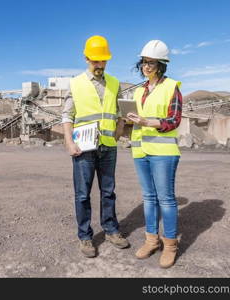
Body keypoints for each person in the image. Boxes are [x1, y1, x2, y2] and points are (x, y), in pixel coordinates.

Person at [62, 35, 129, 258]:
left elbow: (120, 112)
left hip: (108, 146)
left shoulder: (114, 82)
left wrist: (120, 129)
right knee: (83, 195)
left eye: (103, 61)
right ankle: (85, 236)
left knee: (108, 192)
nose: (99, 65)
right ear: (86, 58)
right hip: (83, 149)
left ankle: (111, 230)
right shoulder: (76, 83)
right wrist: (69, 142)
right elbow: (67, 115)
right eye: (95, 61)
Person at [126, 40, 182, 268]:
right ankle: (152, 240)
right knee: (148, 198)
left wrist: (146, 121)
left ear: (161, 64)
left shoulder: (172, 88)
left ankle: (170, 246)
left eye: (151, 63)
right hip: (140, 150)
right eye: (144, 62)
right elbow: (136, 122)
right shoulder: (139, 90)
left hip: (163, 152)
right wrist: (128, 120)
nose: (146, 67)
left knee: (166, 199)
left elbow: (173, 120)